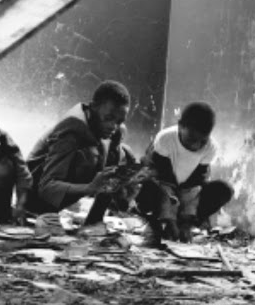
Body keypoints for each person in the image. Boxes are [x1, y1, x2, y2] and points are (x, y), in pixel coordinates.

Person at [26, 80, 136, 222]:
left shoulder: (115, 130)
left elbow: (110, 177)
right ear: (93, 108)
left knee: (122, 154)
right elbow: (46, 188)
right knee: (90, 156)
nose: (113, 126)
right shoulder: (71, 129)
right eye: (108, 118)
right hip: (34, 195)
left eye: (119, 121)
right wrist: (89, 188)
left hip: (64, 191)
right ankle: (43, 215)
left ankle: (94, 221)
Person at [137, 102, 234, 245]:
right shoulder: (165, 140)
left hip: (186, 193)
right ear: (180, 126)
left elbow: (194, 187)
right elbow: (163, 183)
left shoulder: (210, 148)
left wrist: (187, 221)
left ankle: (186, 227)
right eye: (192, 139)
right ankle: (157, 225)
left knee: (224, 190)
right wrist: (169, 218)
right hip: (162, 190)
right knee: (147, 187)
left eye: (203, 141)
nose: (196, 146)